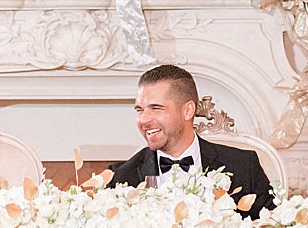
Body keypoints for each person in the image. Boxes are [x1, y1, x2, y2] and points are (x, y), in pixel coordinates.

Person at [110, 64, 273, 219]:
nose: (144, 120)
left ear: (187, 110)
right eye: (140, 110)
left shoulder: (244, 167)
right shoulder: (122, 178)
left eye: (156, 108)